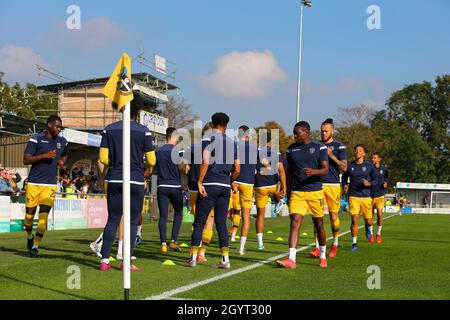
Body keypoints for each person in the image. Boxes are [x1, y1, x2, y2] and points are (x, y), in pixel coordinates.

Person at [97, 95, 156, 271]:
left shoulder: (109, 129)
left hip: (114, 178)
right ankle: (126, 262)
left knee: (113, 219)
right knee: (131, 221)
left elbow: (102, 158)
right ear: (138, 109)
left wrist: (116, 160)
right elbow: (152, 160)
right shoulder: (143, 131)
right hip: (135, 180)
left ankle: (105, 260)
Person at [187, 112, 240, 268]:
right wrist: (230, 181)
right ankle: (225, 259)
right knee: (221, 223)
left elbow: (205, 162)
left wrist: (199, 181)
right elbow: (237, 168)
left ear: (213, 123)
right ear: (226, 125)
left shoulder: (208, 139)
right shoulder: (232, 142)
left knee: (199, 222)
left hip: (209, 185)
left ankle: (193, 258)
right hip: (225, 186)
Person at [276, 121, 329, 269]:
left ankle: (323, 255)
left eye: (297, 133)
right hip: (298, 193)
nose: (294, 136)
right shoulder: (291, 150)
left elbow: (325, 170)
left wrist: (314, 172)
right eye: (293, 133)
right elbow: (290, 172)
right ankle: (291, 259)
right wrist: (287, 189)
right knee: (295, 221)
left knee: (319, 224)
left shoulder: (320, 147)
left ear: (306, 132)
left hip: (315, 192)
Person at [23, 115, 68, 258]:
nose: (59, 129)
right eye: (57, 126)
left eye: (60, 127)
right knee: (29, 217)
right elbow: (26, 159)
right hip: (33, 183)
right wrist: (45, 155)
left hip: (49, 185)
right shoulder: (36, 138)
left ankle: (35, 246)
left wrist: (61, 161)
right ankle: (29, 236)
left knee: (43, 217)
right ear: (49, 125)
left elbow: (65, 154)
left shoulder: (62, 141)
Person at [310, 118, 347, 259]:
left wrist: (332, 156)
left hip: (333, 185)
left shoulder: (339, 146)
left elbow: (344, 168)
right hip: (318, 185)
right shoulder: (316, 146)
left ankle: (335, 244)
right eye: (322, 131)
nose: (323, 133)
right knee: (317, 217)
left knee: (333, 216)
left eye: (326, 131)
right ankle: (317, 247)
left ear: (332, 131)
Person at [183, 122, 215, 263]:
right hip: (206, 187)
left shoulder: (192, 146)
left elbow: (184, 166)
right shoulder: (215, 147)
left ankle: (193, 251)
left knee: (197, 221)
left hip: (192, 187)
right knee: (208, 220)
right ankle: (201, 253)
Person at [250, 131, 286, 252]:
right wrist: (284, 187)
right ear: (271, 141)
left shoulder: (256, 151)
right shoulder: (276, 152)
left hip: (260, 186)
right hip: (273, 184)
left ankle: (260, 243)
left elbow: (252, 168)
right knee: (277, 188)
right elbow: (281, 170)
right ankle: (280, 201)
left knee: (260, 216)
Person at [155, 127, 185, 252]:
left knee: (163, 216)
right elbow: (181, 168)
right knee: (178, 212)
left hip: (161, 185)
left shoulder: (158, 151)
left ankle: (163, 243)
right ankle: (173, 241)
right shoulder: (178, 151)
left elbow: (153, 168)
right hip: (175, 186)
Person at [342, 144, 377, 251]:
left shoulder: (370, 166)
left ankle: (368, 228)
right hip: (353, 196)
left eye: (359, 150)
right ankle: (354, 244)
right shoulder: (350, 166)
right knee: (355, 219)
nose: (357, 152)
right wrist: (345, 186)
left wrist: (369, 184)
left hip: (366, 197)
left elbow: (375, 181)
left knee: (369, 221)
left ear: (363, 153)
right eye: (356, 150)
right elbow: (344, 178)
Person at [233, 125, 258, 255]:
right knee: (246, 217)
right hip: (248, 184)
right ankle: (241, 248)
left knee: (222, 214)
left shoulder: (235, 146)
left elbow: (232, 165)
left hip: (235, 182)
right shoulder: (255, 149)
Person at [371, 152, 388, 244]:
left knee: (380, 215)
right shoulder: (369, 169)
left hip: (380, 194)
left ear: (379, 159)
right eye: (372, 158)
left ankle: (378, 234)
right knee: (370, 216)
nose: (373, 159)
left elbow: (386, 177)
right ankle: (370, 233)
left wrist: (385, 182)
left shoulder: (384, 169)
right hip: (370, 195)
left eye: (375, 158)